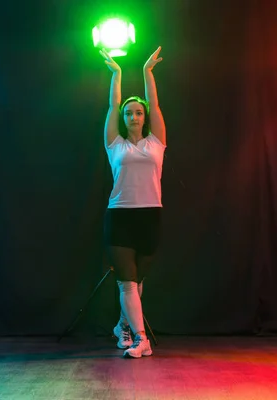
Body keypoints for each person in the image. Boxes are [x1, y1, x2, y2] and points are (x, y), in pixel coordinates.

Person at [99, 46, 166, 358]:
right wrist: (117, 74)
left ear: (145, 117)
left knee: (137, 283)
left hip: (150, 216)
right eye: (129, 113)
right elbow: (113, 105)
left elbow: (154, 102)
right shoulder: (115, 144)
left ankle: (122, 327)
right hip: (121, 217)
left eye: (138, 113)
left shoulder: (156, 143)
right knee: (127, 283)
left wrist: (146, 72)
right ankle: (141, 339)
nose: (134, 116)